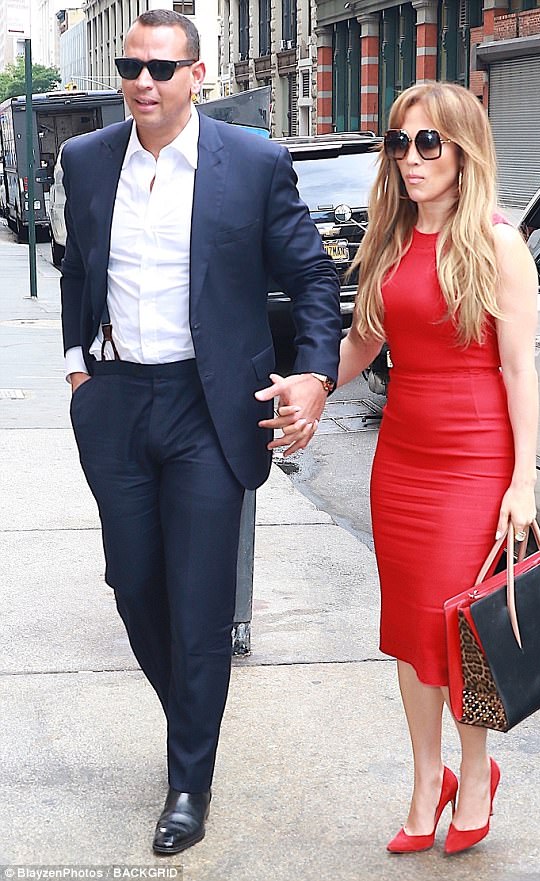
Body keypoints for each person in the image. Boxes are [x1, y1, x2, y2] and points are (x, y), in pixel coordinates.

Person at [60, 9, 340, 856]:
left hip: (208, 405)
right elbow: (80, 265)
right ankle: (193, 713)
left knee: (201, 596)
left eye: (162, 67)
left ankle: (189, 778)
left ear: (197, 76)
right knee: (135, 584)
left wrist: (316, 375)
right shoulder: (84, 159)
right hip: (114, 398)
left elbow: (312, 277)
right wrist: (77, 364)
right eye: (131, 65)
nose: (144, 81)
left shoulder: (251, 163)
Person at [260, 81, 538, 854]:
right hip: (403, 463)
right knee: (411, 632)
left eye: (427, 143)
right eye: (397, 143)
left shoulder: (496, 241)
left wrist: (523, 482)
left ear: (463, 150)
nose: (410, 158)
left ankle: (475, 773)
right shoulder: (388, 240)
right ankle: (426, 780)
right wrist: (310, 383)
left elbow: (520, 372)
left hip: (476, 459)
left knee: (462, 631)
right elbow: (362, 346)